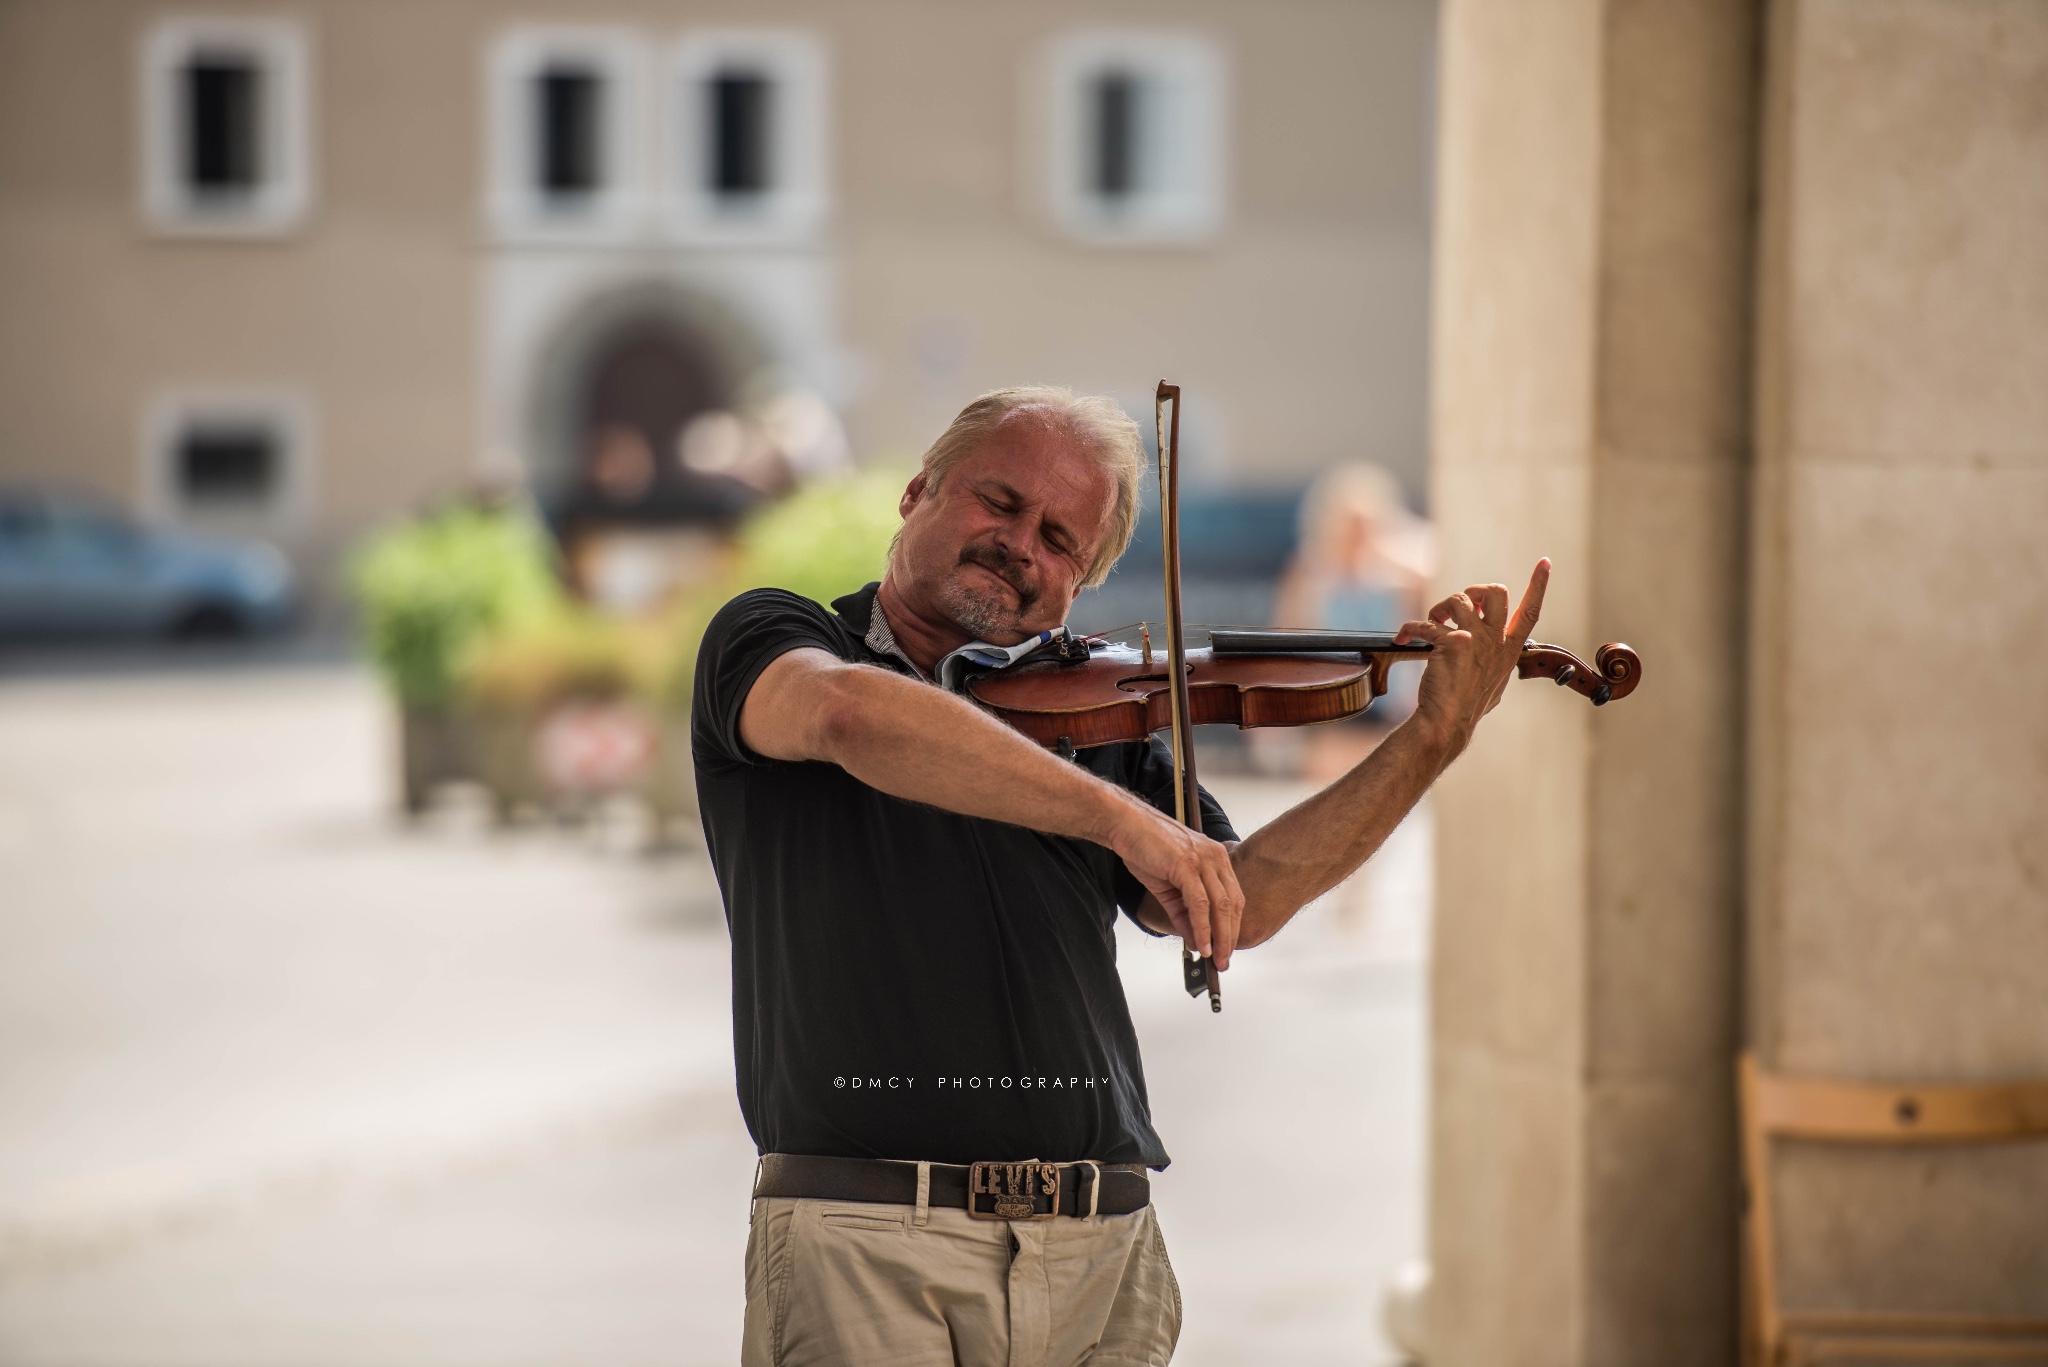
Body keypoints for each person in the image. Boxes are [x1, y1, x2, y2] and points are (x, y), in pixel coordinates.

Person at [691, 386, 1547, 1367]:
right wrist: (1120, 819)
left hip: (1100, 1248)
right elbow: (847, 717)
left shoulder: (1091, 711)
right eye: (999, 502)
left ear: (1082, 583)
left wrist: (1431, 739)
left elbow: (1241, 898)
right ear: (918, 490)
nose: (1021, 544)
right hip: (870, 1237)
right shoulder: (781, 637)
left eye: (1061, 539)